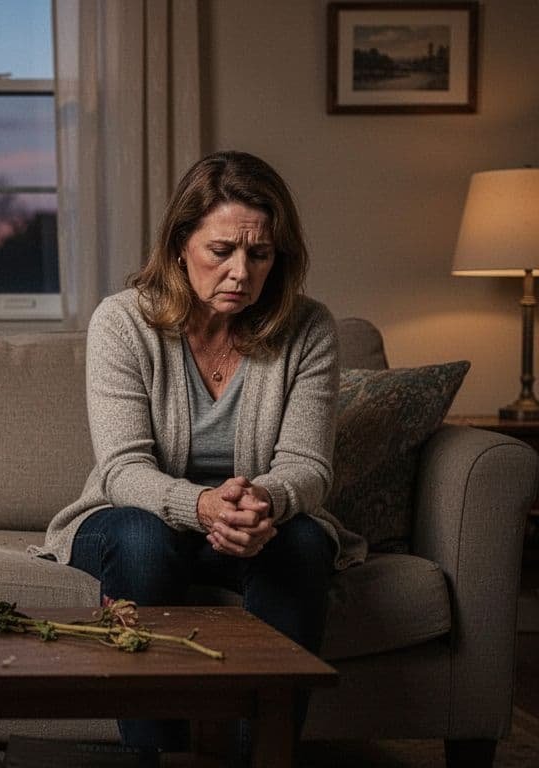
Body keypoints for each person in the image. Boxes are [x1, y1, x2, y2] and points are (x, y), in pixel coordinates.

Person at [39, 150, 367, 763]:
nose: (241, 272)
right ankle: (157, 759)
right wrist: (202, 506)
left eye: (260, 254)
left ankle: (258, 758)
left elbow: (308, 465)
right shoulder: (122, 321)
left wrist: (260, 502)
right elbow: (122, 468)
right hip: (135, 514)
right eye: (222, 251)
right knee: (141, 539)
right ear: (180, 244)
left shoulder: (310, 328)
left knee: (299, 545)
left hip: (255, 521)